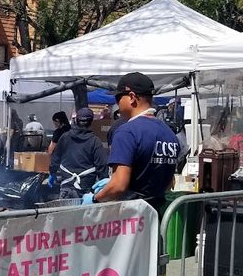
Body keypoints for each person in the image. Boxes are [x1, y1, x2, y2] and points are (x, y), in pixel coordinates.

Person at [89, 72, 179, 211]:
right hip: (158, 216)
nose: (117, 103)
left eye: (118, 98)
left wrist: (95, 199)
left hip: (131, 220)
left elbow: (118, 186)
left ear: (131, 97)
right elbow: (169, 183)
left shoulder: (127, 132)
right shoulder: (169, 134)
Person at [48, 108, 109, 199]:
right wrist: (103, 182)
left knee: (63, 213)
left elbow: (55, 157)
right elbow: (102, 165)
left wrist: (52, 173)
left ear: (76, 120)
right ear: (91, 122)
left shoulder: (65, 137)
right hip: (85, 191)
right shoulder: (95, 141)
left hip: (66, 187)